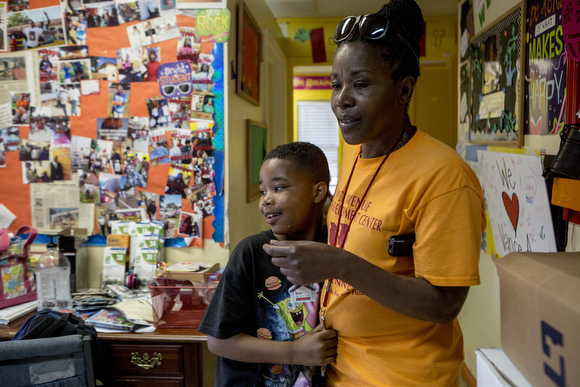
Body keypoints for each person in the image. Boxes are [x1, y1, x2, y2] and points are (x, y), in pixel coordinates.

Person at [262, 2, 486, 386]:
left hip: (402, 378)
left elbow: (444, 304)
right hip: (341, 368)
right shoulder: (356, 149)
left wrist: (339, 264)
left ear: (404, 89)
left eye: (360, 84)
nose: (341, 99)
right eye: (336, 84)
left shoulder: (445, 177)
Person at [198, 142, 337, 387]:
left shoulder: (335, 255)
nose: (266, 201)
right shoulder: (251, 253)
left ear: (318, 192)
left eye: (279, 188)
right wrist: (295, 352)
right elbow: (218, 341)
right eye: (264, 191)